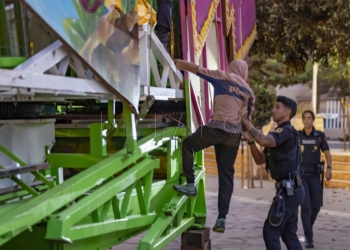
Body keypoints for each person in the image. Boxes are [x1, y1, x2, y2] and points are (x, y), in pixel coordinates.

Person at [172, 59, 255, 233]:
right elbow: (246, 118)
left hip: (217, 128)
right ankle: (222, 218)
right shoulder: (249, 91)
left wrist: (176, 63)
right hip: (234, 135)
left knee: (188, 145)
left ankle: (190, 184)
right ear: (244, 72)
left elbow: (197, 69)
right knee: (226, 174)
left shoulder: (223, 76)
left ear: (232, 68)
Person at [240, 96, 305, 250]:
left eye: (277, 107)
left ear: (287, 112)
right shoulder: (276, 133)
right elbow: (260, 159)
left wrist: (246, 122)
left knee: (271, 232)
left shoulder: (286, 131)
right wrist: (250, 141)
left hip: (291, 190)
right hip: (290, 190)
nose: (273, 110)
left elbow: (264, 141)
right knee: (289, 234)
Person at [298, 110, 332, 248]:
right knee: (305, 206)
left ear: (313, 120)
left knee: (316, 206)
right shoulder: (297, 135)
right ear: (302, 120)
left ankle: (308, 228)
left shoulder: (319, 136)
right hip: (301, 176)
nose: (307, 120)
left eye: (309, 118)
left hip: (314, 176)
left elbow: (327, 152)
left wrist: (329, 168)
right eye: (305, 118)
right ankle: (309, 238)